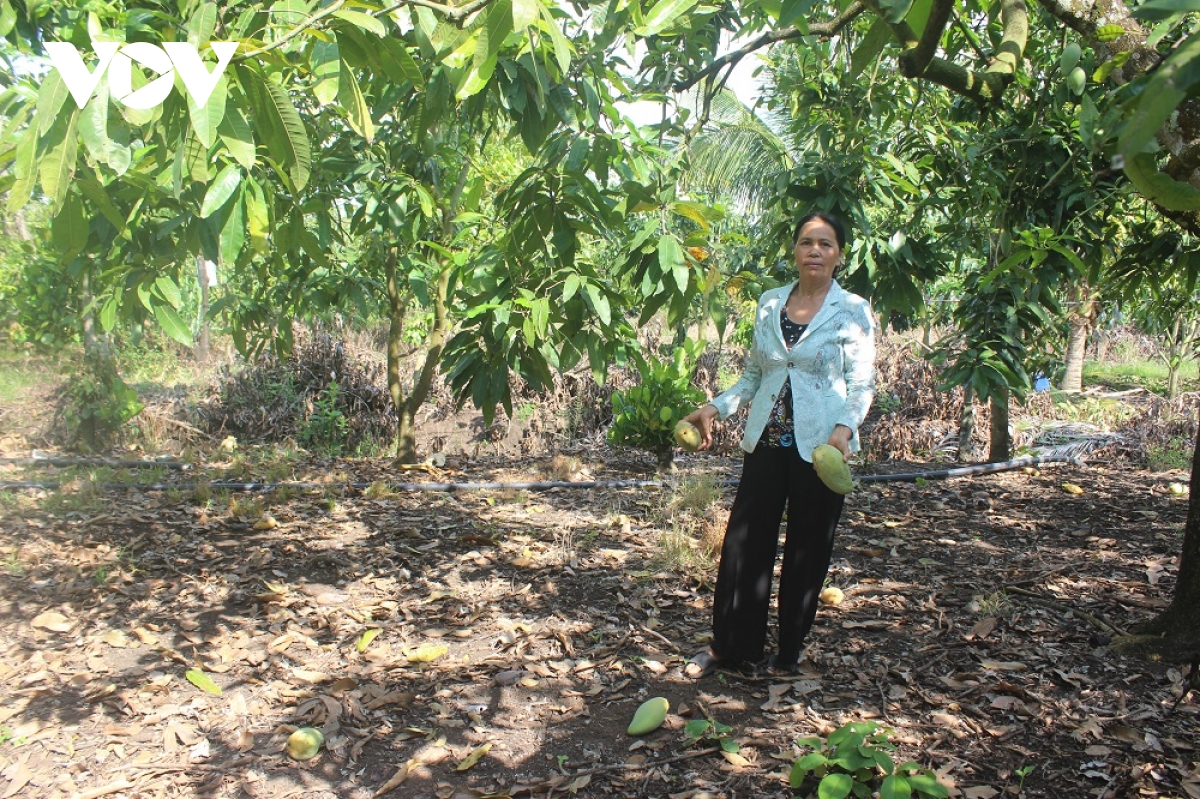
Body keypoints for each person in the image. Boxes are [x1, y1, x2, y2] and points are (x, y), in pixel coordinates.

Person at [681, 212, 876, 677]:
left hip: (822, 449)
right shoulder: (770, 303)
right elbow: (755, 374)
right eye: (807, 242)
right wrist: (716, 408)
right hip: (767, 440)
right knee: (745, 543)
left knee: (808, 548)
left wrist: (844, 430)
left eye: (825, 244)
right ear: (795, 250)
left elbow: (863, 382)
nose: (815, 250)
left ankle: (789, 652)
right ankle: (732, 647)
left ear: (839, 255)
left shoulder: (852, 310)